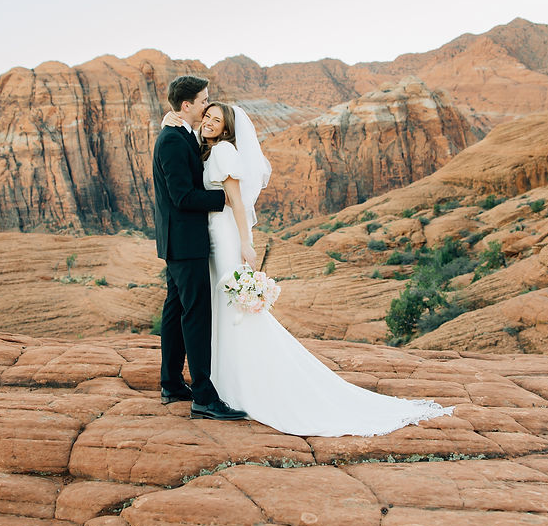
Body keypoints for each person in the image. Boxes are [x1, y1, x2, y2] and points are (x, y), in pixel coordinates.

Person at [161, 102, 454, 436]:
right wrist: (170, 120)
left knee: (230, 304)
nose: (210, 122)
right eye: (207, 116)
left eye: (217, 119)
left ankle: (240, 383)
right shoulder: (206, 148)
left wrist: (246, 242)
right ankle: (219, 382)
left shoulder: (224, 152)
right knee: (218, 305)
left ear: (227, 129)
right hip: (209, 237)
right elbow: (187, 143)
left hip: (226, 236)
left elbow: (238, 203)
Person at [151, 75, 246, 421]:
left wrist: (169, 120)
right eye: (203, 100)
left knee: (175, 313)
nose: (208, 104)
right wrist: (226, 198)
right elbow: (182, 196)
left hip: (178, 240)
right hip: (186, 242)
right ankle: (203, 396)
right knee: (195, 315)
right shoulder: (173, 141)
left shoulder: (180, 135)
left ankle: (171, 383)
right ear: (187, 105)